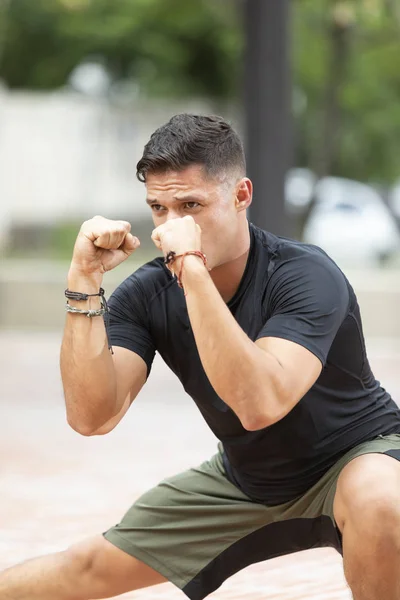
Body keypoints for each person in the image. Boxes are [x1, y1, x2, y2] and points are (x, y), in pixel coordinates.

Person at [1, 114, 400, 600]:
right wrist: (83, 279)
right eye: (159, 208)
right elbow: (91, 416)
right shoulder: (148, 294)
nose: (172, 227)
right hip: (248, 478)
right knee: (83, 568)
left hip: (359, 456)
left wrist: (191, 268)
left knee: (381, 499)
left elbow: (259, 404)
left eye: (191, 205)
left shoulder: (305, 274)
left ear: (241, 196)